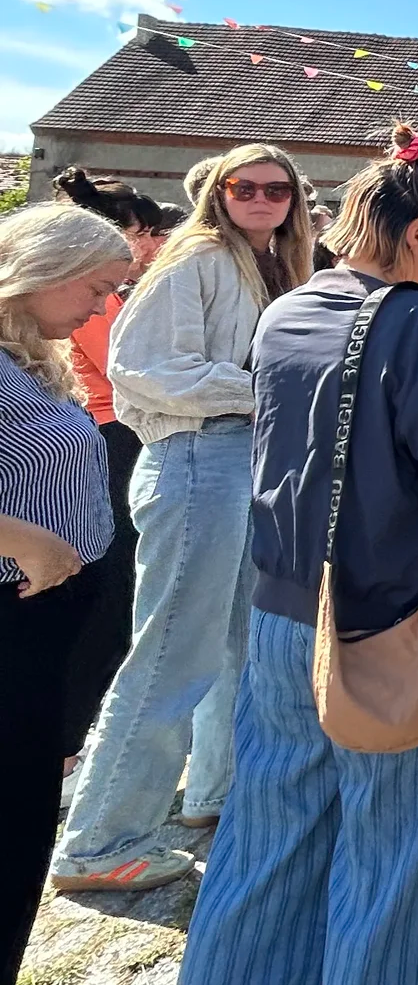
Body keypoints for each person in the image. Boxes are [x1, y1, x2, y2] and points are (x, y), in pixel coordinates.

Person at [178, 125, 418, 985]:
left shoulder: (287, 309)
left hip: (282, 604)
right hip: (393, 613)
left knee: (269, 837)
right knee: (400, 858)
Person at [53, 143, 313, 893]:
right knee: (171, 654)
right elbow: (142, 367)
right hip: (197, 454)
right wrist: (268, 392)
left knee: (235, 645)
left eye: (276, 189)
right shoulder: (196, 256)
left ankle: (211, 792)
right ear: (218, 192)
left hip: (239, 457)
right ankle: (98, 841)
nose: (261, 199)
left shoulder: (270, 262)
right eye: (244, 186)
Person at [0, 204, 130, 982]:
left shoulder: (27, 358)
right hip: (13, 626)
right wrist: (25, 540)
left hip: (45, 635)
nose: (101, 305)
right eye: (94, 286)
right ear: (41, 270)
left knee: (21, 832)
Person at [49, 171, 163, 780]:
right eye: (143, 233)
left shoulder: (112, 294)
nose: (150, 245)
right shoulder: (94, 302)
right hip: (108, 433)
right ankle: (66, 739)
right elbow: (128, 365)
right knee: (108, 589)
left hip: (113, 432)